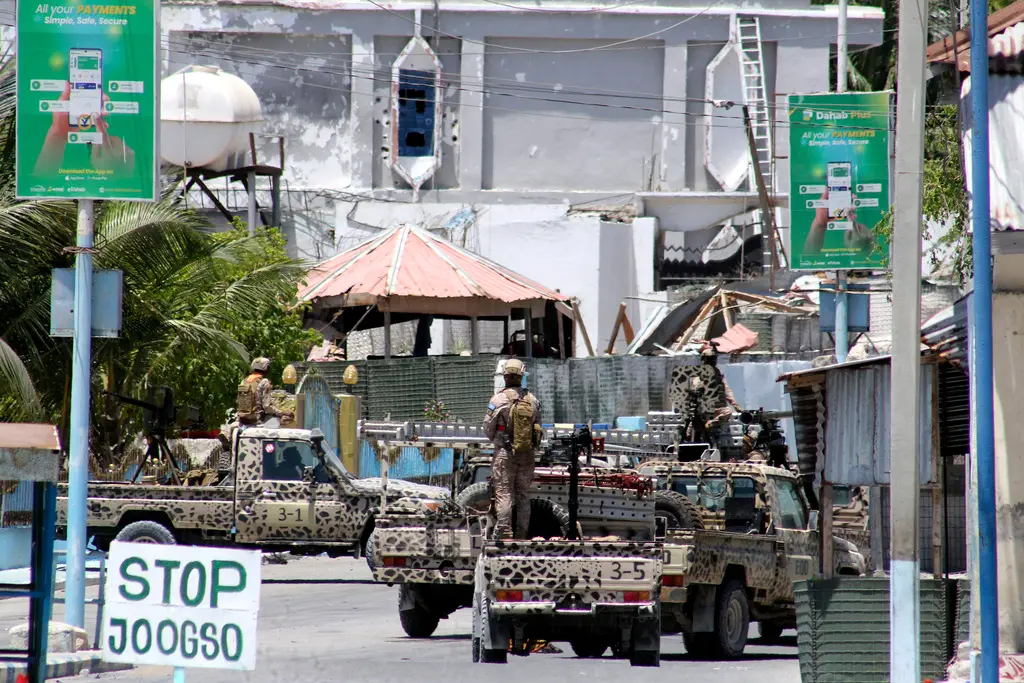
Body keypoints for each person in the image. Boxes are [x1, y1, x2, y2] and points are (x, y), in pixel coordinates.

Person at [483, 358, 542, 540]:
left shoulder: (498, 399)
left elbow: (487, 428)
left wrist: (499, 440)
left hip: (505, 454)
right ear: (522, 375)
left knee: (504, 493)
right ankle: (522, 533)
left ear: (505, 376)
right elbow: (538, 427)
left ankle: (504, 533)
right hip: (527, 455)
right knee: (523, 494)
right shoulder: (532, 400)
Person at [684, 341, 742, 441]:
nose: (712, 362)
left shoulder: (717, 374)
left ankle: (711, 424)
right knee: (690, 432)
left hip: (718, 409)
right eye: (710, 360)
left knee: (728, 411)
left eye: (713, 360)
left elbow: (726, 389)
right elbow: (695, 387)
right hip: (704, 408)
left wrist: (735, 404)